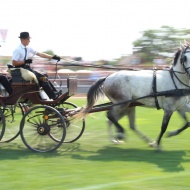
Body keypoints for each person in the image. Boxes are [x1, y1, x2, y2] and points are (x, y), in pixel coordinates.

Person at [12, 32, 61, 100]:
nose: (29, 40)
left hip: (26, 68)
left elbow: (40, 54)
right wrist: (25, 61)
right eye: (28, 39)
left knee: (44, 76)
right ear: (23, 39)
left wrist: (52, 57)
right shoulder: (17, 50)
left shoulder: (28, 48)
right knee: (42, 78)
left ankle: (54, 93)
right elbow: (14, 63)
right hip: (21, 70)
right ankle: (52, 96)